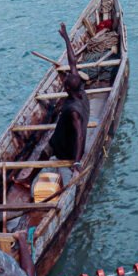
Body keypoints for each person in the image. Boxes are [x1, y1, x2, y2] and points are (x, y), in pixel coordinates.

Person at [48, 22, 89, 172]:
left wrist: (77, 162)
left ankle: (29, 177)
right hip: (67, 138)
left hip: (70, 151)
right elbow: (73, 61)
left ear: (67, 88)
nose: (64, 78)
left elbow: (79, 136)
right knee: (53, 139)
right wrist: (66, 38)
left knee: (48, 147)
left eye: (64, 81)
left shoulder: (73, 110)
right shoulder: (80, 89)